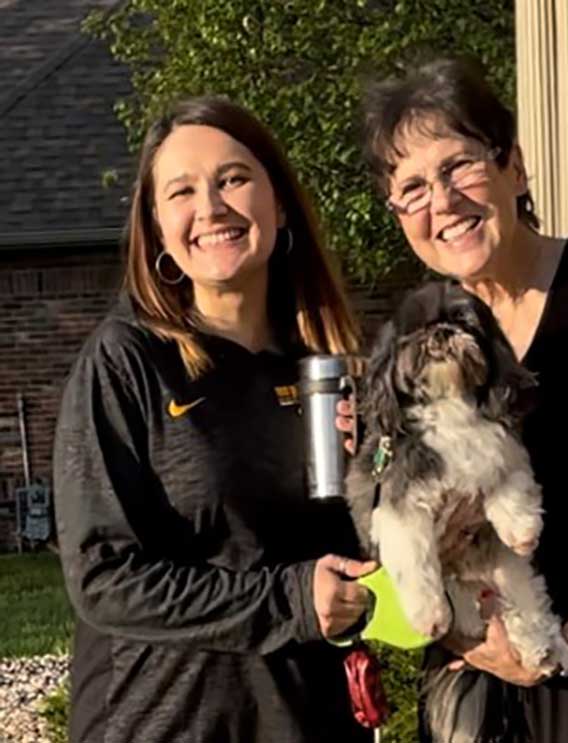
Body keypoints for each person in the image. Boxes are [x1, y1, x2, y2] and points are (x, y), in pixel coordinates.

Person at [343, 55, 568, 742]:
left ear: (513, 164)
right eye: (413, 188)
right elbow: (391, 533)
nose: (443, 201)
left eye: (459, 166)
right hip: (468, 682)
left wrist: (556, 646)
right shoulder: (416, 341)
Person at [53, 96, 377, 743]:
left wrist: (380, 467)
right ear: (155, 227)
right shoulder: (127, 361)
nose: (211, 207)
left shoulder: (325, 367)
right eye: (182, 191)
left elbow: (359, 556)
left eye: (233, 178)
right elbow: (103, 576)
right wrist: (289, 600)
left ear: (279, 203)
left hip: (308, 720)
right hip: (167, 722)